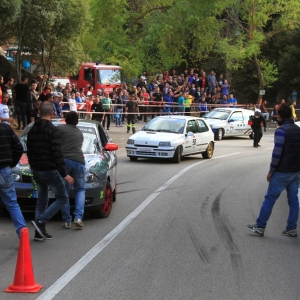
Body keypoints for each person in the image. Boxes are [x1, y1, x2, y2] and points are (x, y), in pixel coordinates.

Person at [247, 104, 300, 237]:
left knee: (270, 198)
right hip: (296, 171)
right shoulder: (297, 130)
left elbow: (277, 153)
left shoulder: (281, 130)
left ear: (280, 115)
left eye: (276, 114)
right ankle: (291, 228)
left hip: (282, 171)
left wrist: (271, 171)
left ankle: (260, 226)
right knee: (293, 200)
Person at [27, 101, 74, 241]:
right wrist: (64, 174)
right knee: (63, 197)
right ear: (52, 114)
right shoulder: (53, 131)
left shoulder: (31, 131)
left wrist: (33, 166)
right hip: (49, 169)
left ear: (39, 113)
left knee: (42, 199)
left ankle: (39, 232)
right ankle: (40, 221)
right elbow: (57, 154)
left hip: (36, 169)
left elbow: (29, 151)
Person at [58, 111, 85, 229]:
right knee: (80, 189)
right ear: (77, 122)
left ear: (65, 120)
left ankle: (66, 220)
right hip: (79, 161)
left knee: (64, 191)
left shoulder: (60, 129)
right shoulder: (80, 133)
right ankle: (78, 217)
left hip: (64, 161)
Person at [0, 122, 27, 238]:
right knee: (12, 203)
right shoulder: (5, 128)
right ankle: (22, 233)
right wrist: (11, 163)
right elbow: (18, 147)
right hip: (5, 169)